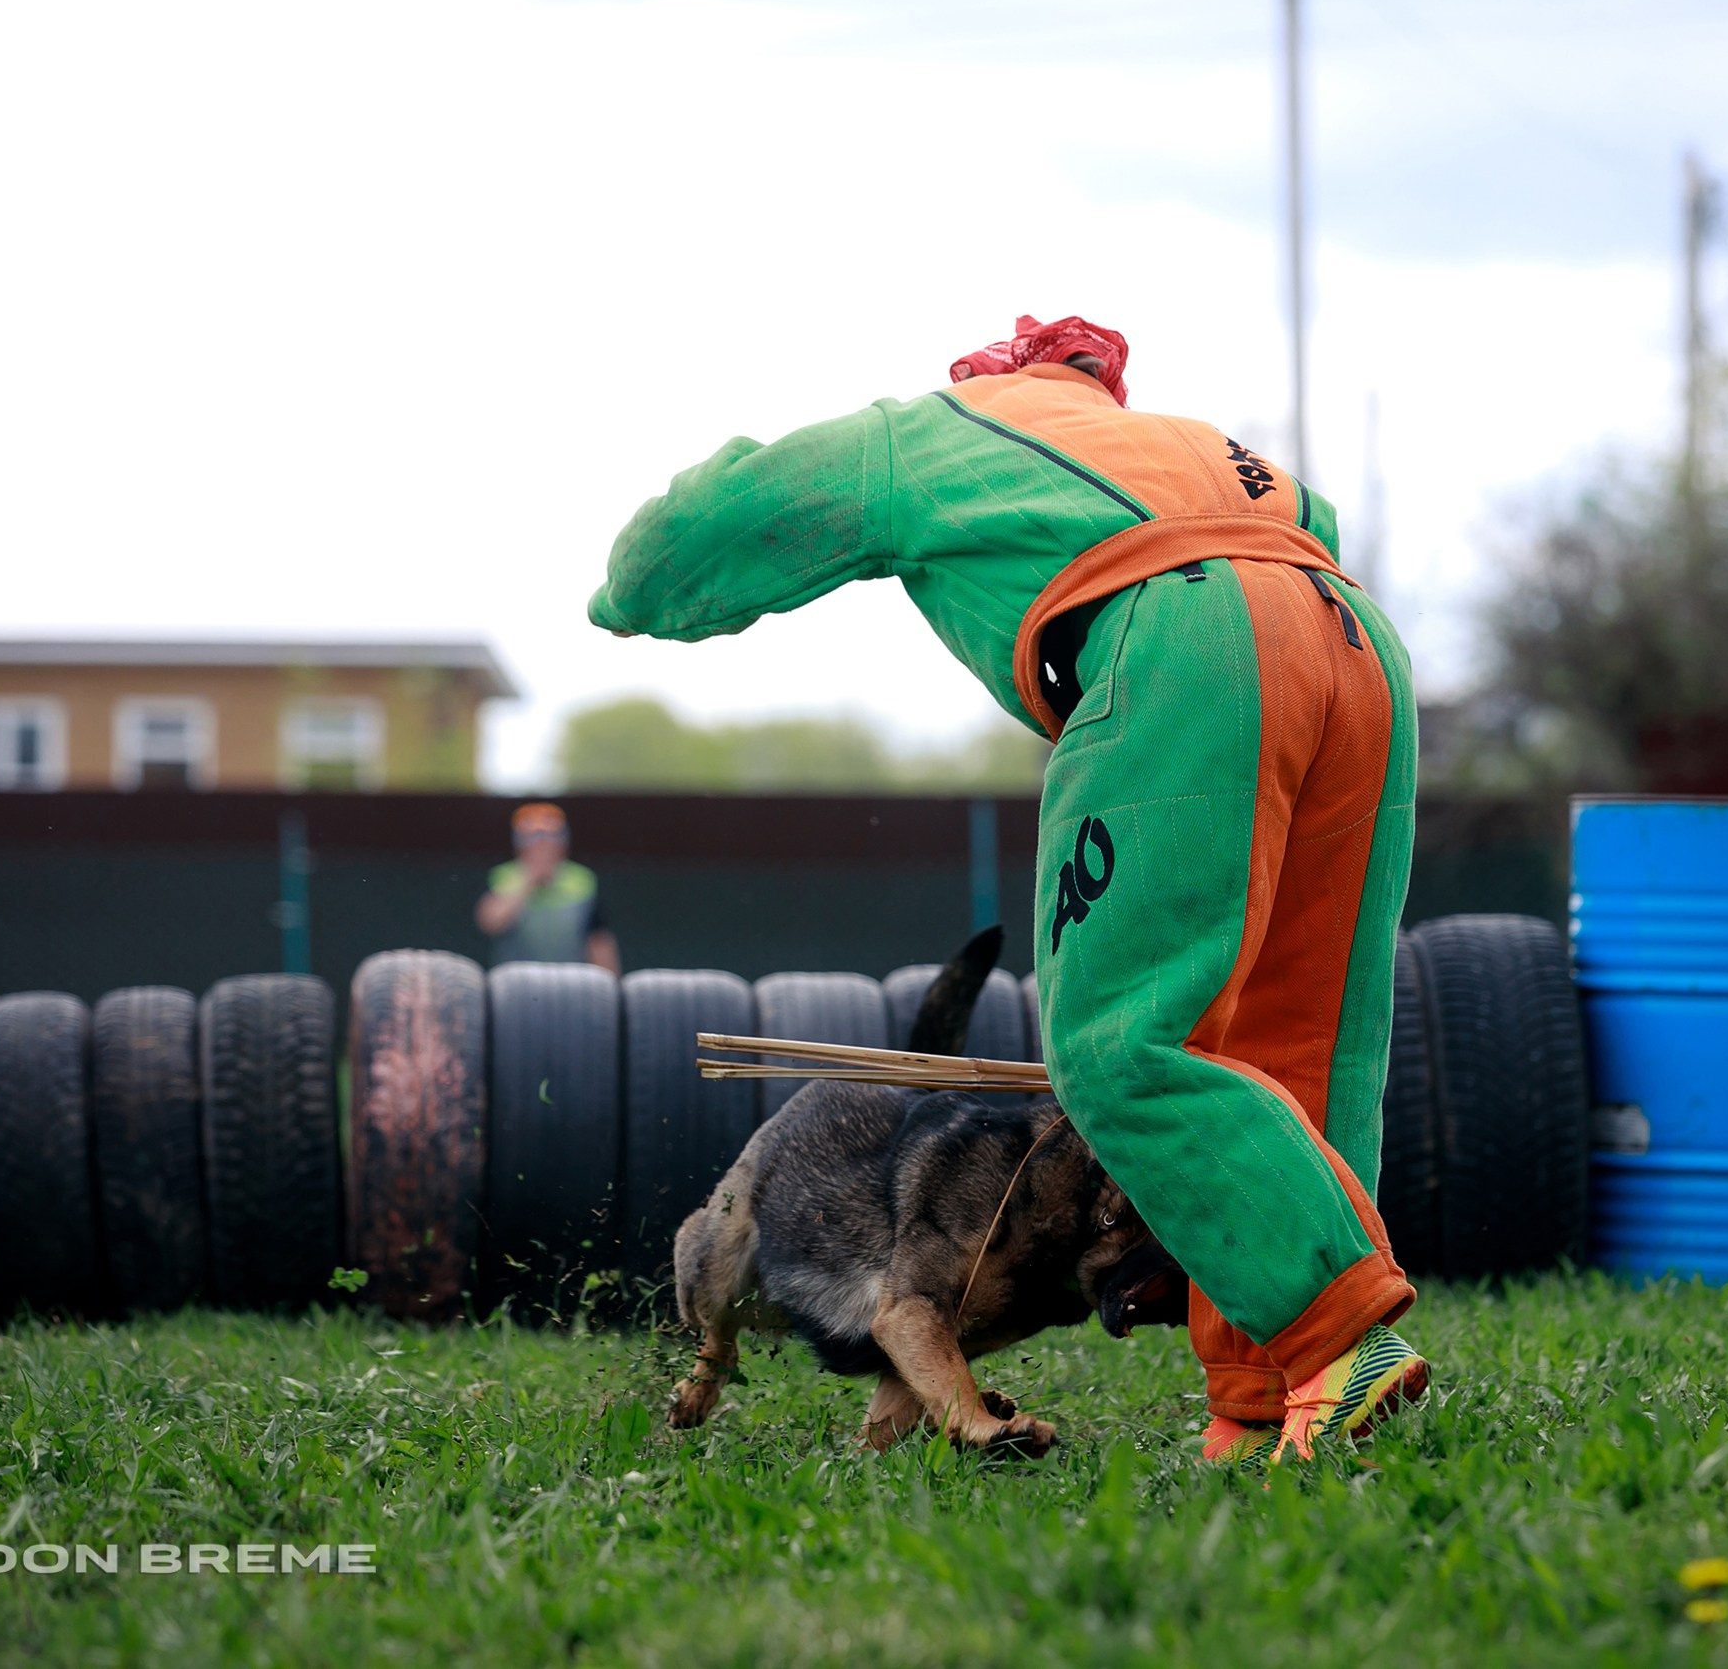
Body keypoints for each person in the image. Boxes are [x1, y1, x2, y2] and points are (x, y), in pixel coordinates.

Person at [587, 315, 1424, 1467]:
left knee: (1119, 1048)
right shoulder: (1201, 446)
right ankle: (1272, 1396)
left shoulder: (930, 433)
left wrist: (627, 597)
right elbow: (1309, 532)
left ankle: (1335, 1334)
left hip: (1182, 640)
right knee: (1305, 1048)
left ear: (994, 380)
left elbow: (716, 525)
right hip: (1359, 648)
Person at [476, 802, 621, 972]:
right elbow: (490, 922)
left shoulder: (581, 880)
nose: (542, 846)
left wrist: (611, 984)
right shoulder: (503, 876)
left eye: (549, 839)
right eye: (533, 840)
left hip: (572, 981)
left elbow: (599, 941)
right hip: (515, 983)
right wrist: (529, 881)